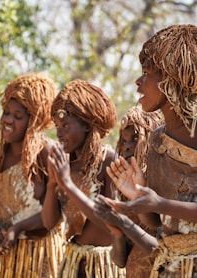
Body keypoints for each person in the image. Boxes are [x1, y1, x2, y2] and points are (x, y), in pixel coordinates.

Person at [94, 24, 197, 277]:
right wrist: (139, 198)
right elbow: (156, 223)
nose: (138, 81)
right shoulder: (157, 138)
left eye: (146, 73)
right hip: (168, 266)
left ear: (171, 77)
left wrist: (160, 203)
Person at [42, 79, 127, 277]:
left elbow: (111, 224)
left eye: (65, 125)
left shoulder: (109, 161)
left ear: (87, 125)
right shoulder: (65, 163)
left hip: (104, 264)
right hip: (74, 262)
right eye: (57, 126)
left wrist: (67, 184)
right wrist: (53, 183)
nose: (59, 133)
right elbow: (49, 223)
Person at [0, 72, 64, 278]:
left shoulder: (48, 154)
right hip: (10, 258)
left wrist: (19, 227)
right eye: (6, 112)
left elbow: (57, 213)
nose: (7, 120)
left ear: (35, 120)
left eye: (18, 116)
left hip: (44, 256)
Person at [114, 105, 164, 277]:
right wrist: (117, 233)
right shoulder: (123, 188)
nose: (127, 146)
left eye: (135, 138)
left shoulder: (162, 185)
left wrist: (123, 224)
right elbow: (119, 261)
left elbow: (162, 251)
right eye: (124, 140)